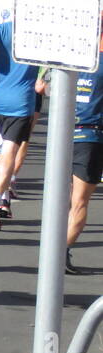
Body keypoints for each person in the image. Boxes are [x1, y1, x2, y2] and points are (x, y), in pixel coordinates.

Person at [0, 16, 44, 230]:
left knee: (3, 148)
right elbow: (42, 83)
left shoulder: (1, 29)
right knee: (9, 151)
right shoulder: (41, 33)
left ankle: (4, 202)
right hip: (21, 101)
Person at [69, 55, 103, 274]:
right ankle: (59, 252)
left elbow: (42, 87)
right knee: (80, 202)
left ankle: (56, 251)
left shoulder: (75, 61)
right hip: (91, 135)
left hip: (65, 132)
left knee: (68, 201)